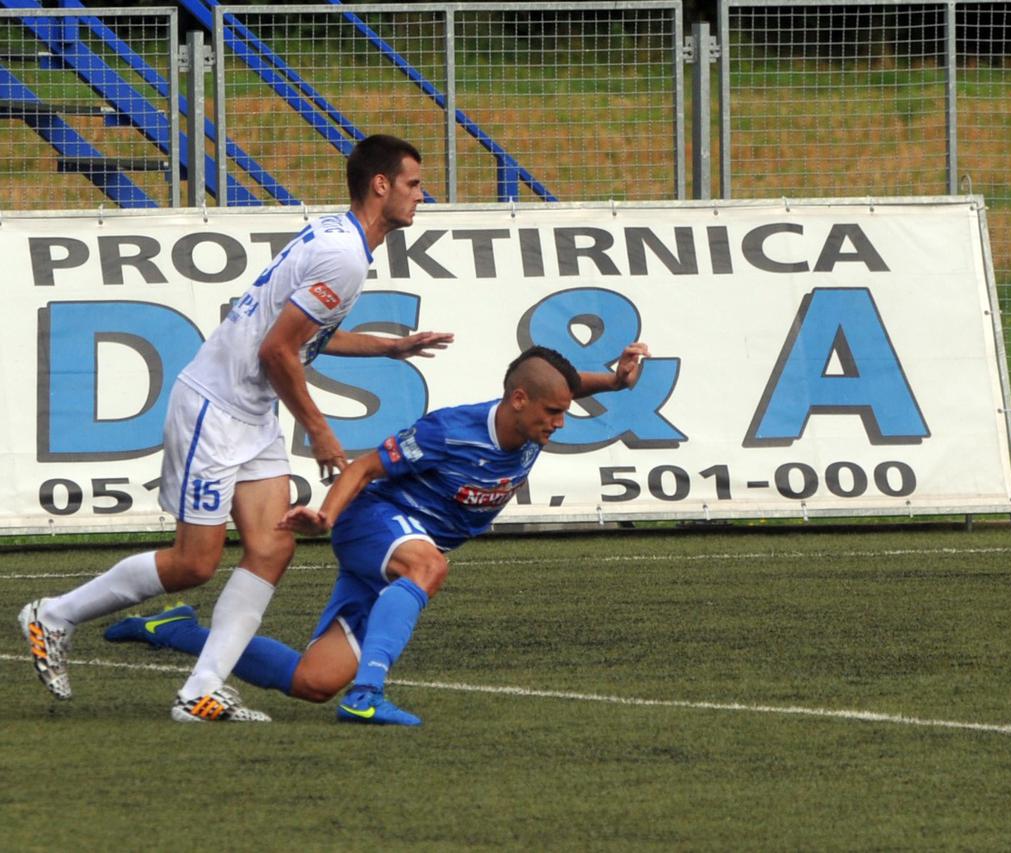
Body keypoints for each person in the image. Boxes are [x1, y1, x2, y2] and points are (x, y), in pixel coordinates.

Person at [18, 133, 453, 723]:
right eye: (414, 184)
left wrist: (389, 346)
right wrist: (321, 430)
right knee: (194, 563)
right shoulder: (345, 256)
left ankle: (200, 690)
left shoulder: (341, 239)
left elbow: (301, 336)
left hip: (251, 414)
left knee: (273, 547)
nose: (421, 196)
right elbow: (278, 351)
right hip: (217, 408)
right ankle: (54, 614)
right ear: (381, 185)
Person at [102, 343, 648, 726]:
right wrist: (326, 516)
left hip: (403, 544)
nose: (560, 422)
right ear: (519, 401)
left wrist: (617, 381)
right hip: (375, 521)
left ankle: (174, 630)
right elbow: (364, 468)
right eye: (554, 412)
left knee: (313, 682)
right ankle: (367, 695)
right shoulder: (450, 431)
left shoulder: (534, 415)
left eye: (564, 410)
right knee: (427, 566)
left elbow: (562, 385)